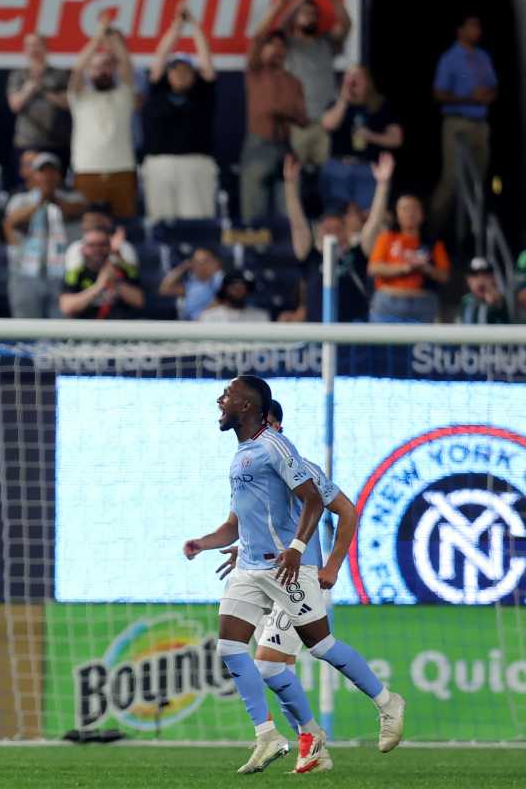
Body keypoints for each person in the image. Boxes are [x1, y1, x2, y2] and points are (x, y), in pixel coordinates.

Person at [183, 375, 404, 774]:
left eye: (228, 396)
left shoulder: (285, 455)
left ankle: (384, 703)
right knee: (235, 650)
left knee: (317, 648)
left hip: (291, 573)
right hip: (254, 569)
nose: (221, 401)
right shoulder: (242, 457)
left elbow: (332, 507)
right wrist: (206, 543)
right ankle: (276, 736)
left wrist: (323, 561)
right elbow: (244, 520)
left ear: (260, 414)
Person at [211, 399, 360, 773]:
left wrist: (331, 565)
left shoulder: (300, 467)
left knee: (274, 664)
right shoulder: (250, 468)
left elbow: (345, 510)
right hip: (260, 576)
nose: (273, 436)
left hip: (296, 577)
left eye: (275, 427)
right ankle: (308, 741)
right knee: (262, 664)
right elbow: (247, 523)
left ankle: (309, 737)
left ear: (272, 423)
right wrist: (240, 551)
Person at [284, 153, 388, 323]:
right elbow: (297, 223)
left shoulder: (358, 254)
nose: (332, 233)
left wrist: (383, 185)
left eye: (337, 229)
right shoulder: (311, 256)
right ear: (319, 233)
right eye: (327, 229)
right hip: (317, 333)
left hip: (353, 333)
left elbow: (374, 223)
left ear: (346, 232)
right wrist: (290, 184)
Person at [142, 3, 218, 221]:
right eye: (176, 70)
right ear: (169, 74)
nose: (181, 74)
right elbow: (159, 58)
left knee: (197, 221)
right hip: (160, 165)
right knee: (161, 221)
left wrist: (194, 27)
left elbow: (206, 62)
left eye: (186, 70)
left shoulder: (202, 94)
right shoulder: (158, 92)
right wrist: (177, 26)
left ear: (194, 75)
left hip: (196, 164)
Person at [272, 0, 352, 167]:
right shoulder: (289, 44)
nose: (310, 17)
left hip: (326, 123)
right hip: (297, 124)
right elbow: (281, 24)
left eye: (314, 14)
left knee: (327, 178)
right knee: (295, 176)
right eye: (305, 13)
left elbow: (346, 24)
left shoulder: (327, 43)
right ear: (296, 17)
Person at [430, 14, 497, 225]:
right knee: (452, 179)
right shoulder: (450, 58)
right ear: (460, 30)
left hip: (480, 124)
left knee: (477, 182)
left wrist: (487, 96)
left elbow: (493, 86)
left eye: (478, 26)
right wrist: (469, 98)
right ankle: (433, 230)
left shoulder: (483, 57)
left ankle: (471, 236)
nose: (477, 31)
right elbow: (438, 94)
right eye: (472, 26)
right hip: (457, 123)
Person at [68, 18, 137, 219]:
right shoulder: (79, 98)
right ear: (90, 71)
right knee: (90, 225)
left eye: (107, 66)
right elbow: (77, 70)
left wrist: (112, 38)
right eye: (96, 67)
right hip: (87, 171)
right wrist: (98, 37)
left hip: (122, 171)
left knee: (125, 225)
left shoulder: (124, 95)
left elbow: (126, 64)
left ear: (113, 69)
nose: (102, 71)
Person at [3, 152, 85, 318]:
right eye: (42, 171)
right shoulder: (20, 200)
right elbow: (13, 221)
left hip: (62, 277)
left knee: (61, 335)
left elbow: (77, 209)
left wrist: (54, 199)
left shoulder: (73, 197)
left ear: (59, 176)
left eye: (52, 172)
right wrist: (40, 202)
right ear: (33, 175)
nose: (47, 176)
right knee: (25, 334)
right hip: (25, 275)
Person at [240, 26, 309, 222]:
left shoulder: (293, 82)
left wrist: (286, 112)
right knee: (253, 213)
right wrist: (279, 5)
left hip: (285, 146)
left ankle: (288, 250)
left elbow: (303, 119)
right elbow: (257, 37)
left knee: (289, 212)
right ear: (262, 49)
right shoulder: (255, 73)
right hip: (258, 145)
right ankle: (254, 251)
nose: (277, 50)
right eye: (271, 45)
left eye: (281, 46)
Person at [320, 66, 402, 211]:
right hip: (338, 167)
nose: (352, 81)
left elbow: (396, 138)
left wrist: (371, 136)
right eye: (349, 77)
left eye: (357, 77)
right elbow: (328, 125)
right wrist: (344, 100)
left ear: (368, 82)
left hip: (368, 169)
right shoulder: (336, 104)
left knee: (368, 214)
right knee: (335, 213)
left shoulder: (380, 105)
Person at [367, 194, 449, 323]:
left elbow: (444, 276)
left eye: (414, 208)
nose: (410, 213)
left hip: (422, 305)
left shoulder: (433, 244)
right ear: (397, 214)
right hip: (389, 303)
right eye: (404, 209)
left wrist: (425, 269)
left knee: (422, 343)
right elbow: (374, 268)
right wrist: (405, 268)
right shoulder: (386, 239)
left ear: (422, 214)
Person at [6, 33, 70, 168]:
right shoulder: (17, 75)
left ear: (46, 48)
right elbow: (14, 105)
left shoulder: (60, 74)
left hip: (56, 141)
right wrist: (28, 89)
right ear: (24, 50)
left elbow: (68, 103)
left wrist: (44, 92)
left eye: (37, 45)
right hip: (27, 142)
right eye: (29, 46)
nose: (33, 49)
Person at [58, 227, 144, 319]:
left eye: (102, 245)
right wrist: (99, 285)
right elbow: (66, 307)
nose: (97, 250)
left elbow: (139, 301)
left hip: (121, 328)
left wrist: (116, 283)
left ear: (110, 247)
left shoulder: (125, 269)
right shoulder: (75, 273)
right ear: (83, 249)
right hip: (85, 329)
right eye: (92, 245)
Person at [158, 247, 224, 320]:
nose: (201, 266)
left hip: (214, 321)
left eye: (205, 261)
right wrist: (183, 267)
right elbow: (164, 289)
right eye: (197, 262)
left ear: (214, 263)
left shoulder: (219, 280)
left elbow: (224, 300)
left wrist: (204, 315)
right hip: (190, 324)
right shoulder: (190, 285)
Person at [199, 270, 270, 323]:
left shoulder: (260, 317)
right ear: (225, 289)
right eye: (234, 287)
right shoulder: (209, 317)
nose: (238, 291)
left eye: (243, 288)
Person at [457, 257, 510, 325]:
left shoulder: (499, 300)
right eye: (475, 275)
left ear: (493, 278)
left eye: (485, 275)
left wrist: (496, 304)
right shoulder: (466, 300)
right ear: (468, 279)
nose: (480, 280)